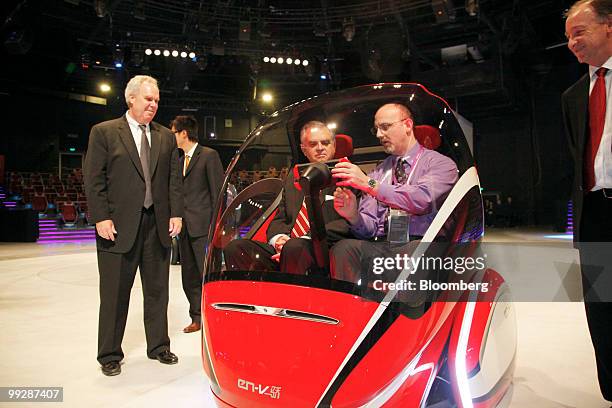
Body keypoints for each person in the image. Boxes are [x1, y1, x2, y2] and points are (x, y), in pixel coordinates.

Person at [84, 75, 183, 376]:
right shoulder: (104, 132)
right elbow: (94, 179)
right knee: (114, 294)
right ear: (131, 99)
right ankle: (109, 354)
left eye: (156, 100)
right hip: (117, 226)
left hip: (157, 224)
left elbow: (173, 180)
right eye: (147, 99)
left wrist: (175, 213)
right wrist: (101, 216)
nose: (153, 104)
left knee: (157, 291)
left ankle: (159, 346)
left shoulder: (166, 136)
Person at [330, 103, 458, 282]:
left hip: (424, 244)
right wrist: (353, 216)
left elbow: (422, 200)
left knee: (413, 252)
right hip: (386, 245)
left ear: (407, 125)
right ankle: (353, 308)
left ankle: (405, 310)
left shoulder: (440, 164)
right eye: (376, 129)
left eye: (385, 127)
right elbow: (370, 229)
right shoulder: (379, 172)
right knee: (344, 248)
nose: (379, 135)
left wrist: (369, 184)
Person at [563, 0, 612, 401]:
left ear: (609, 26)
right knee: (603, 312)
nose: (571, 43)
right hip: (594, 216)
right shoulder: (574, 96)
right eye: (567, 37)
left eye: (579, 32)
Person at [224, 121, 351, 274]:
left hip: (323, 248)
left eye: (325, 143)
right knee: (235, 248)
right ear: (304, 149)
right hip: (288, 246)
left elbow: (346, 223)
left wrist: (304, 239)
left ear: (334, 145)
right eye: (313, 144)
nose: (320, 148)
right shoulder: (294, 178)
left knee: (295, 247)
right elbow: (281, 218)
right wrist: (278, 239)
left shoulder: (348, 176)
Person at [170, 115, 223, 334]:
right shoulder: (179, 160)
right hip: (184, 228)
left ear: (183, 133)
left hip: (204, 227)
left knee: (207, 275)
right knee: (189, 275)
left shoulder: (209, 156)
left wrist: (217, 227)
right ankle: (196, 317)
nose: (171, 136)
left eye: (173, 132)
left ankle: (215, 316)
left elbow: (217, 193)